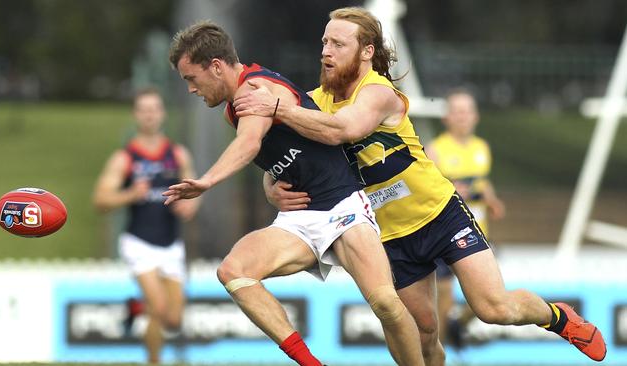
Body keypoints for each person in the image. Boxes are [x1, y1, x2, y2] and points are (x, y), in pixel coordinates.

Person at [232, 6, 606, 365]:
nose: (326, 52)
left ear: (367, 51)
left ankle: (558, 317)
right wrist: (270, 185)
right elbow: (292, 156)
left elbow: (344, 129)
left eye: (337, 45)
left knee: (493, 308)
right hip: (388, 237)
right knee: (423, 334)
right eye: (324, 43)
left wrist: (279, 108)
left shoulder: (376, 91)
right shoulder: (314, 102)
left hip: (439, 213)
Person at [163, 21, 425, 366]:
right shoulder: (234, 108)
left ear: (215, 67)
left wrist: (206, 181)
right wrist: (270, 186)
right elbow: (281, 154)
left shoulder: (254, 89)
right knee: (234, 271)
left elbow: (249, 142)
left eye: (191, 79)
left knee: (386, 304)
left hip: (341, 205)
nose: (192, 90)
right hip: (300, 218)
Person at [92, 87, 200, 364]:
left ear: (162, 113)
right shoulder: (125, 158)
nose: (150, 115)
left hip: (171, 242)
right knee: (160, 308)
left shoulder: (177, 155)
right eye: (144, 110)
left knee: (173, 320)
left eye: (154, 109)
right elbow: (100, 200)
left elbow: (195, 190)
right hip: (138, 242)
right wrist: (130, 194)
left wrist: (189, 205)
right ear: (135, 115)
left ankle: (135, 307)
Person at [425, 89, 506, 347]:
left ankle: (457, 326)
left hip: (479, 233)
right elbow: (425, 189)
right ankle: (437, 354)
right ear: (447, 117)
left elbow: (482, 182)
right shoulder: (435, 150)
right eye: (457, 111)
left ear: (476, 116)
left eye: (467, 111)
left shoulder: (482, 148)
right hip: (447, 234)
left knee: (493, 296)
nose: (463, 117)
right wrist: (451, 189)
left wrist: (492, 200)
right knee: (445, 294)